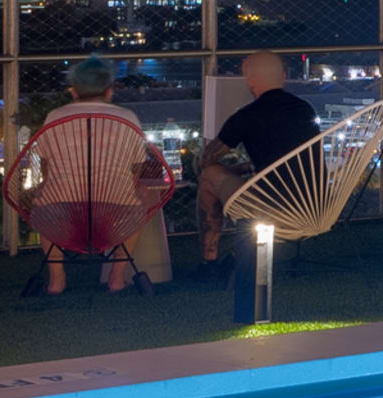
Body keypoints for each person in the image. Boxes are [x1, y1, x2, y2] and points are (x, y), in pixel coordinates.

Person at [24, 59, 173, 296]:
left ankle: (57, 279)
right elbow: (136, 168)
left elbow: (46, 165)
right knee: (143, 198)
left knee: (42, 199)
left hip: (62, 211)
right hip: (115, 211)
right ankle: (116, 277)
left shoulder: (54, 116)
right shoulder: (128, 117)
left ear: (73, 92)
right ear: (109, 91)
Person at [194, 51, 321, 263]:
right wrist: (245, 168)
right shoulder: (305, 109)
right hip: (317, 208)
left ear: (250, 82)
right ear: (282, 76)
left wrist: (227, 169)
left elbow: (205, 161)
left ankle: (210, 259)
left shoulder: (246, 116)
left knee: (209, 175)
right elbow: (285, 160)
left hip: (275, 212)